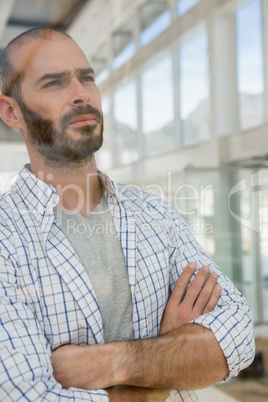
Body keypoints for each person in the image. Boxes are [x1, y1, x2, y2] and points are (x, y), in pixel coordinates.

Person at [0, 27, 254, 402]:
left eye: (87, 78)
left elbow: (237, 338)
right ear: (11, 111)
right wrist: (169, 352)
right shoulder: (6, 240)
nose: (81, 93)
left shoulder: (155, 214)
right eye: (54, 83)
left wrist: (110, 363)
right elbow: (32, 397)